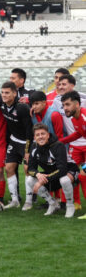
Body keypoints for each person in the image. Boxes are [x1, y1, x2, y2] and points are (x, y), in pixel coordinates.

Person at [25, 123, 77, 218]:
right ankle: (52, 203)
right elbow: (30, 168)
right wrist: (37, 175)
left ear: (48, 135)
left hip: (70, 171)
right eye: (38, 135)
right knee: (30, 180)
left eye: (43, 134)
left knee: (64, 180)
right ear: (34, 137)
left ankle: (70, 205)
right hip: (53, 173)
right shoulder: (34, 147)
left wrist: (42, 181)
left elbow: (62, 169)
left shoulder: (58, 145)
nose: (40, 137)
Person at [52, 75, 86, 209]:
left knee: (82, 175)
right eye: (63, 105)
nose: (64, 108)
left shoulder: (83, 114)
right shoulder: (74, 117)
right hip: (75, 147)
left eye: (67, 105)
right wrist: (61, 141)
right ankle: (76, 203)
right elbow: (78, 133)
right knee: (73, 173)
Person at [0, 81, 33, 209]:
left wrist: (28, 150)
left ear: (15, 93)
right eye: (2, 92)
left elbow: (29, 130)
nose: (4, 95)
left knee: (27, 169)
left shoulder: (22, 108)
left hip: (26, 141)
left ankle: (29, 201)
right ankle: (14, 200)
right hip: (14, 140)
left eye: (7, 93)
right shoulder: (1, 103)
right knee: (8, 168)